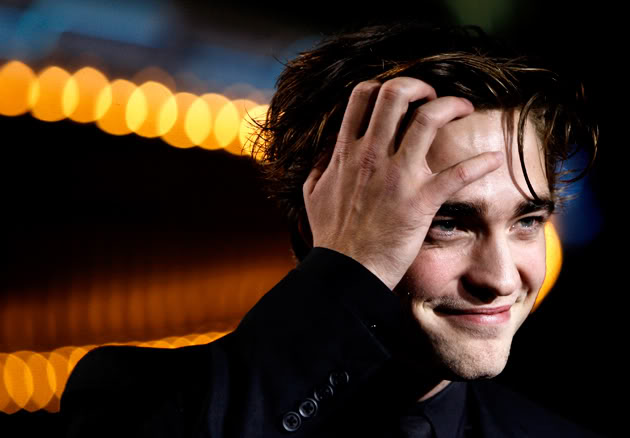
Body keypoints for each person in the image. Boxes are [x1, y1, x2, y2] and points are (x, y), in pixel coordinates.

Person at [60, 23, 599, 437]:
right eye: (446, 224)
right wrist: (350, 268)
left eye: (527, 221)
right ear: (323, 224)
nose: (501, 279)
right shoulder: (139, 402)